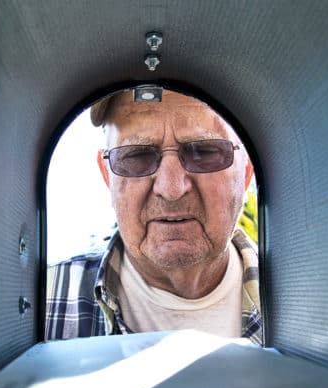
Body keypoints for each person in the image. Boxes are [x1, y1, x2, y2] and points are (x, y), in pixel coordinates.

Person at [45, 88, 263, 346]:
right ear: (108, 177)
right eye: (137, 155)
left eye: (204, 152)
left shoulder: (311, 304)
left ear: (246, 172)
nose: (171, 189)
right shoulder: (43, 305)